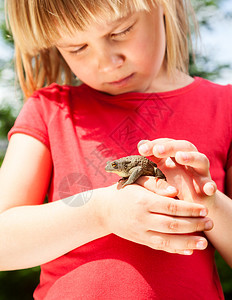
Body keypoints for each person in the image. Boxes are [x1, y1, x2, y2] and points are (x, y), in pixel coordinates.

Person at [1, 0, 231, 299]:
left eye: (121, 31)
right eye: (77, 48)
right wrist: (101, 213)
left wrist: (207, 199)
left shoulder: (223, 107)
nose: (108, 62)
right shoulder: (49, 109)